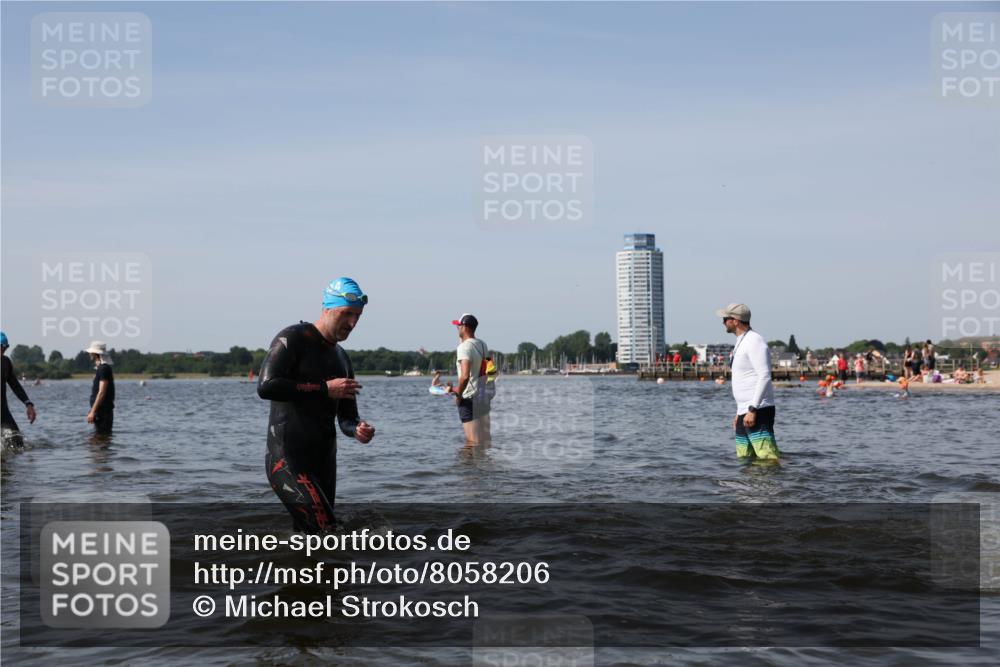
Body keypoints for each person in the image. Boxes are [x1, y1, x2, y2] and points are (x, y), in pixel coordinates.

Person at [257, 277, 376, 533]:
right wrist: (325, 388)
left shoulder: (342, 358)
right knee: (328, 533)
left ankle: (297, 571)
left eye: (357, 316)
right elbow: (266, 386)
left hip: (324, 462)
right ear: (327, 309)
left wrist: (357, 429)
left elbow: (346, 417)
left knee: (312, 539)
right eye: (346, 314)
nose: (352, 323)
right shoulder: (292, 339)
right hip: (288, 459)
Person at [717, 303, 779, 461]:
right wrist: (740, 411)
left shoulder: (754, 341)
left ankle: (770, 486)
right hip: (744, 410)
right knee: (745, 458)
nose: (723, 322)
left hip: (758, 409)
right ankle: (746, 486)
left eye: (726, 319)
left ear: (736, 320)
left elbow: (764, 376)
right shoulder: (741, 341)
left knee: (767, 458)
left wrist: (752, 409)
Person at [447, 313, 490, 445]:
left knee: (472, 442)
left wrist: (458, 396)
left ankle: (467, 465)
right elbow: (487, 369)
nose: (457, 329)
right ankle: (484, 465)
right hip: (483, 396)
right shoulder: (482, 344)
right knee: (484, 440)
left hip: (469, 398)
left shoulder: (464, 348)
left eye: (458, 326)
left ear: (464, 327)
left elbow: (465, 376)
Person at [1, 332, 37, 443]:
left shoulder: (5, 362)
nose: (2, 351)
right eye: (1, 348)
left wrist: (28, 404)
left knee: (17, 442)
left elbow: (15, 385)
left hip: (3, 411)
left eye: (5, 348)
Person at [85, 341, 115, 435]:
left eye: (91, 352)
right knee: (99, 440)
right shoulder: (102, 368)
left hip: (103, 411)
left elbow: (101, 392)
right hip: (101, 410)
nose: (90, 354)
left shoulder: (103, 369)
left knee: (101, 440)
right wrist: (93, 409)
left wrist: (93, 411)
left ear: (95, 354)